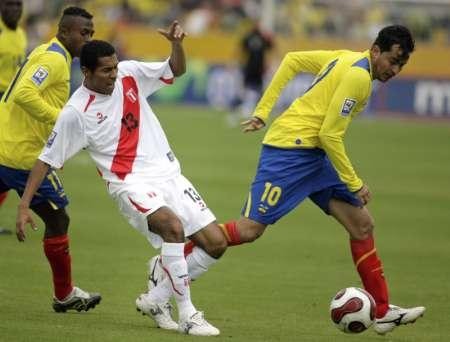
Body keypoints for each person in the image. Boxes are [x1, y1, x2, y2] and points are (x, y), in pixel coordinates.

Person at [177, 25, 425, 335]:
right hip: (289, 152)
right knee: (250, 229)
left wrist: (264, 111)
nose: (396, 70)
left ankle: (384, 311)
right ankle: (170, 267)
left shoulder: (345, 58)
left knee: (362, 225)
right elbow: (330, 134)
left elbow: (292, 59)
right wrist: (355, 182)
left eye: (401, 65)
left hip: (313, 156)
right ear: (375, 51)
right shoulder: (358, 77)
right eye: (392, 61)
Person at [16, 23, 227, 336]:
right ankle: (188, 315)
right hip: (129, 183)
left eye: (114, 68)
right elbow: (46, 159)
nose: (114, 75)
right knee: (173, 229)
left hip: (169, 174)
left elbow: (175, 70)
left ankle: (157, 298)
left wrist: (176, 45)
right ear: (85, 72)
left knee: (216, 243)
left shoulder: (129, 73)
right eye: (105, 71)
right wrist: (23, 205)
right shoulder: (76, 111)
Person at [0, 6, 101, 312]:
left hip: (6, 144)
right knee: (59, 218)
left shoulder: (48, 51)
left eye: (91, 34)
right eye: (83, 33)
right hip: (23, 156)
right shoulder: (55, 59)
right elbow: (24, 93)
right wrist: (60, 120)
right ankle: (64, 294)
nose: (87, 39)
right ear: (65, 31)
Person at [0, 0, 27, 235]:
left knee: (7, 163)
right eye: (9, 5)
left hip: (10, 107)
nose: (14, 10)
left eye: (18, 5)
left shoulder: (20, 34)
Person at [228, 22, 273, 125]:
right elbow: (240, 50)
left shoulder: (264, 38)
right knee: (243, 93)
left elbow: (270, 49)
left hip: (259, 71)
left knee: (260, 95)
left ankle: (260, 118)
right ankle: (232, 114)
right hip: (249, 69)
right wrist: (236, 62)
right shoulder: (249, 37)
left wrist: (269, 64)